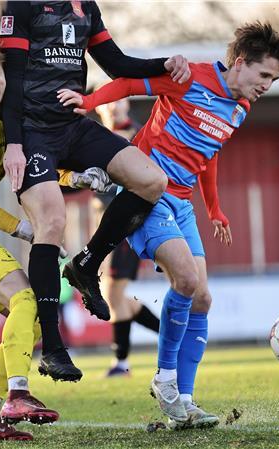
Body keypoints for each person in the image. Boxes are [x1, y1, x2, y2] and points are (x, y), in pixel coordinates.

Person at [57, 22, 279, 428]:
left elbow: (208, 154)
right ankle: (165, 381)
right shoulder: (192, 77)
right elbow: (130, 85)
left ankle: (184, 402)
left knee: (202, 298)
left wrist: (215, 208)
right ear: (240, 63)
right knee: (185, 281)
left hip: (182, 204)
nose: (267, 85)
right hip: (147, 196)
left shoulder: (240, 109)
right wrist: (88, 101)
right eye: (264, 75)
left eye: (273, 80)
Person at [0, 0, 191, 382]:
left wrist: (163, 64)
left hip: (74, 125)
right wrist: (14, 144)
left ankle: (86, 263)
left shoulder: (86, 5)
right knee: (52, 220)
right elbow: (11, 78)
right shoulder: (18, 3)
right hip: (33, 132)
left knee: (152, 180)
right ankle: (52, 348)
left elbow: (116, 64)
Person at [0, 33, 107, 441]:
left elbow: (30, 166)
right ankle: (17, 393)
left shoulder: (6, 117)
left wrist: (77, 177)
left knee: (26, 320)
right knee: (29, 300)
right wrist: (27, 230)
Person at [93, 99, 160, 377]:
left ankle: (121, 363)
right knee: (118, 298)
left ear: (126, 103)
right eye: (104, 102)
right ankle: (170, 336)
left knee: (112, 294)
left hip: (128, 225)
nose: (111, 106)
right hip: (111, 226)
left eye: (116, 100)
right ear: (97, 108)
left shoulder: (136, 137)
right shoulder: (96, 138)